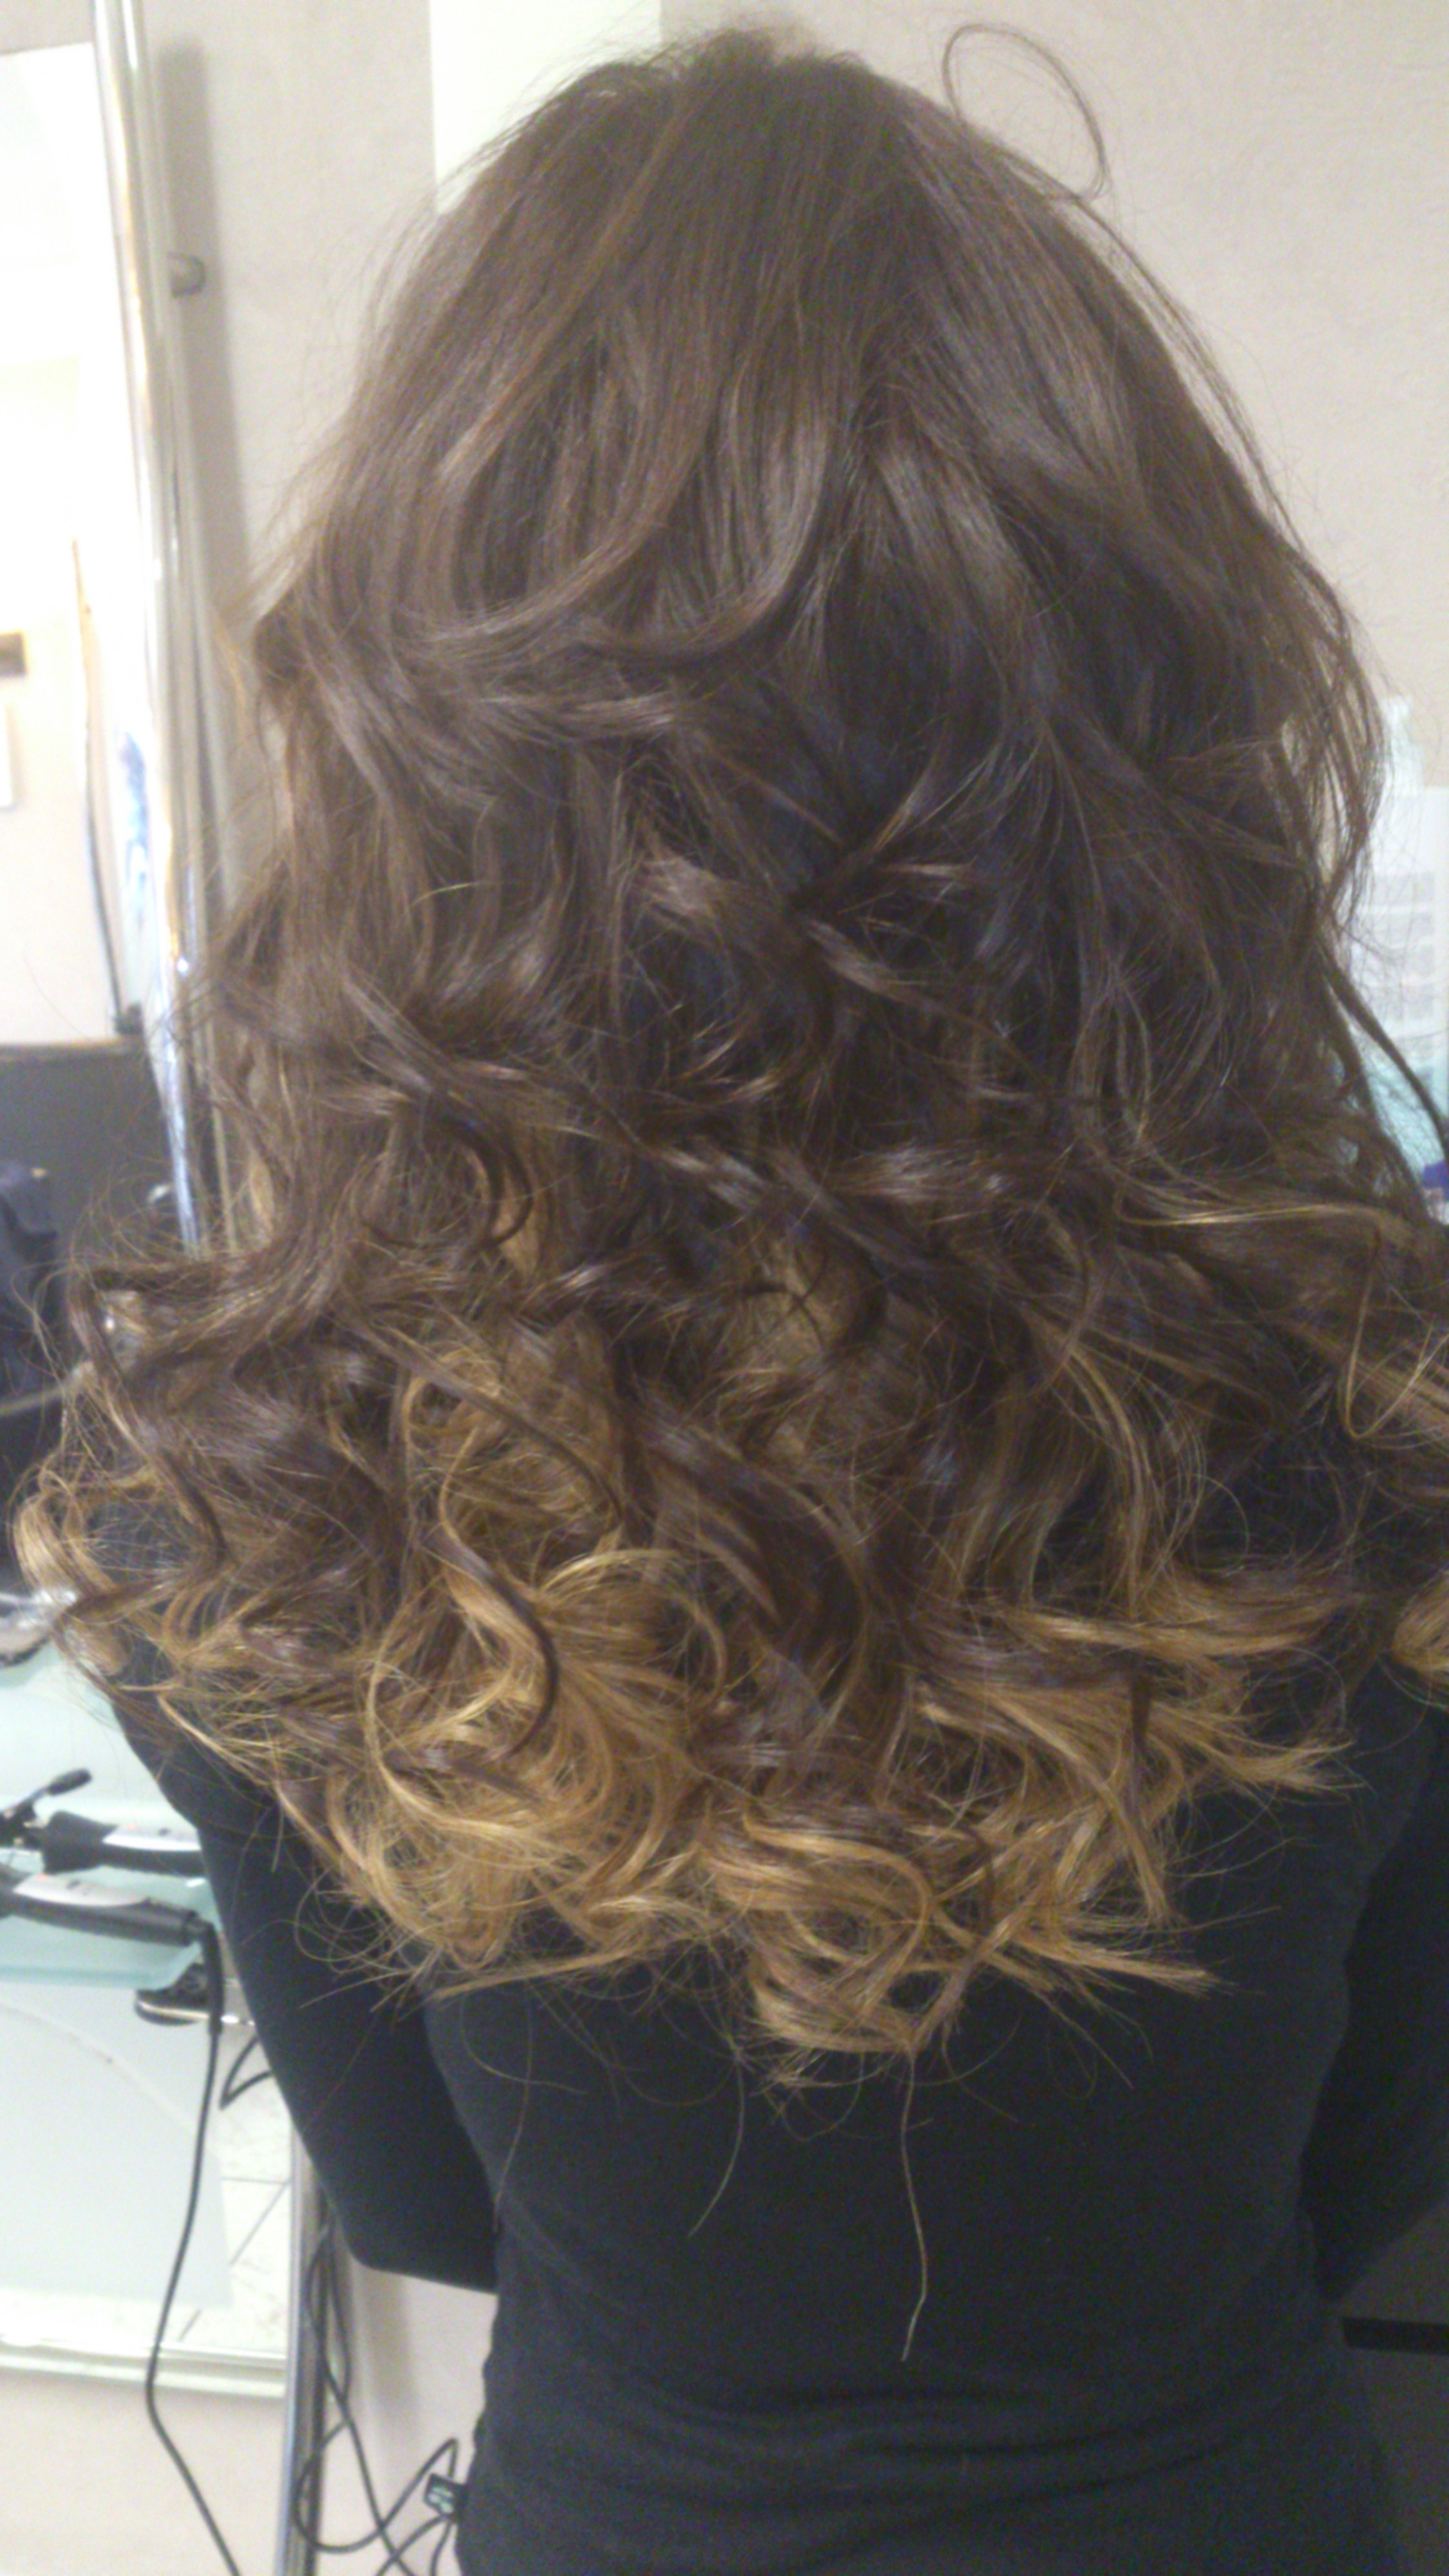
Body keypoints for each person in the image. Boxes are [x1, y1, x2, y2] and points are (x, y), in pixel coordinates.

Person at [15, 24, 1449, 2575]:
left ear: (428, 765)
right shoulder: (1377, 1397)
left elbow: (426, 2209)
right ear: (1150, 729)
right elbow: (1372, 2162)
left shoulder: (245, 1469)